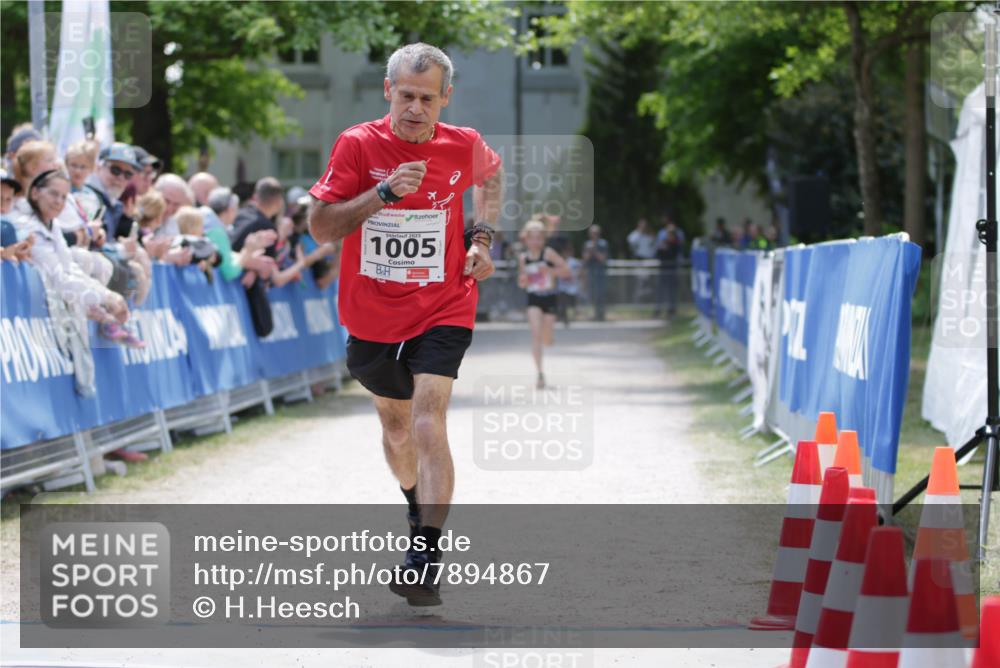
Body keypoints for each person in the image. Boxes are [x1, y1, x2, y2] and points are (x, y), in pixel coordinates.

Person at [308, 42, 502, 606]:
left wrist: (482, 238)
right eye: (407, 95)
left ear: (446, 98)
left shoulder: (463, 144)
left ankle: (426, 555)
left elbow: (494, 177)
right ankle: (417, 507)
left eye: (428, 97)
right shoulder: (358, 144)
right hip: (371, 314)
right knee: (395, 431)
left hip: (444, 303)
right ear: (388, 91)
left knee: (426, 421)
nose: (416, 108)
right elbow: (321, 228)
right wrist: (384, 191)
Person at [517, 219, 571, 389]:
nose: (535, 242)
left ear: (543, 239)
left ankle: (548, 339)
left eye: (539, 238)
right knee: (536, 335)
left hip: (549, 297)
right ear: (526, 239)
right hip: (533, 297)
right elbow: (522, 282)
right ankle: (540, 374)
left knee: (547, 338)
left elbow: (566, 271)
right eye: (532, 238)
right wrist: (523, 281)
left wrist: (550, 271)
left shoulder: (548, 254)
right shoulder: (523, 258)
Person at [655, 217, 684, 319]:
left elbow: (673, 254)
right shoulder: (663, 242)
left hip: (672, 270)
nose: (670, 235)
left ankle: (671, 311)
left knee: (672, 291)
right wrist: (662, 248)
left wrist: (667, 249)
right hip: (663, 270)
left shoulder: (676, 244)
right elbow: (658, 254)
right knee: (660, 291)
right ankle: (657, 310)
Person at [581, 224, 608, 321]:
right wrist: (589, 250)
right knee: (592, 294)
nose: (594, 235)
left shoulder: (603, 244)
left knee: (600, 294)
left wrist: (595, 249)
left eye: (595, 233)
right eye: (592, 233)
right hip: (590, 273)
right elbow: (585, 259)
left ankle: (601, 314)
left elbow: (602, 259)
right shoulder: (587, 244)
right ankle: (595, 314)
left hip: (600, 273)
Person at [556, 241, 581, 327]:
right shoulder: (559, 262)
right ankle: (564, 318)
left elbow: (580, 272)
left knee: (572, 304)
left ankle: (574, 314)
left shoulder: (574, 262)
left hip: (572, 287)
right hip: (562, 287)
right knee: (563, 302)